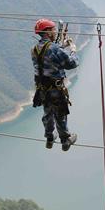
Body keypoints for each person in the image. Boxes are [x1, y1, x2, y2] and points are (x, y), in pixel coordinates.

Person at [32, 19, 79, 150]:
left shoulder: (35, 49)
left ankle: (49, 138)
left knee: (48, 112)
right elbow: (72, 63)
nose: (54, 31)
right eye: (52, 29)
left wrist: (61, 46)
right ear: (47, 31)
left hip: (42, 88)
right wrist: (73, 50)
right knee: (60, 113)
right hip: (55, 89)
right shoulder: (54, 48)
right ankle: (65, 140)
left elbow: (48, 55)